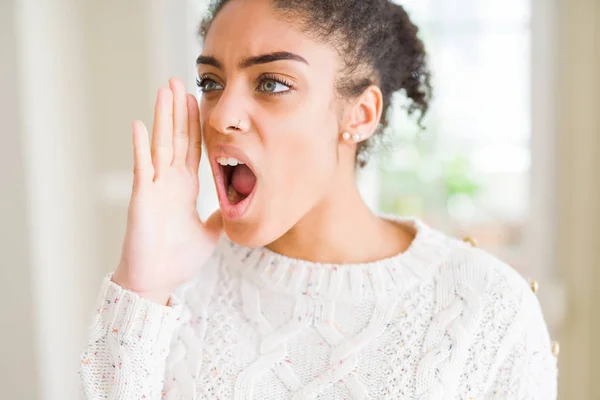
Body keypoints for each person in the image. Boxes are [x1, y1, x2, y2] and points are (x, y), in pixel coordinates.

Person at [78, 0, 558, 398]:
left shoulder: (484, 305)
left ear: (361, 114)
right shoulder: (169, 291)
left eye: (272, 83)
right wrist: (143, 287)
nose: (222, 114)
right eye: (211, 83)